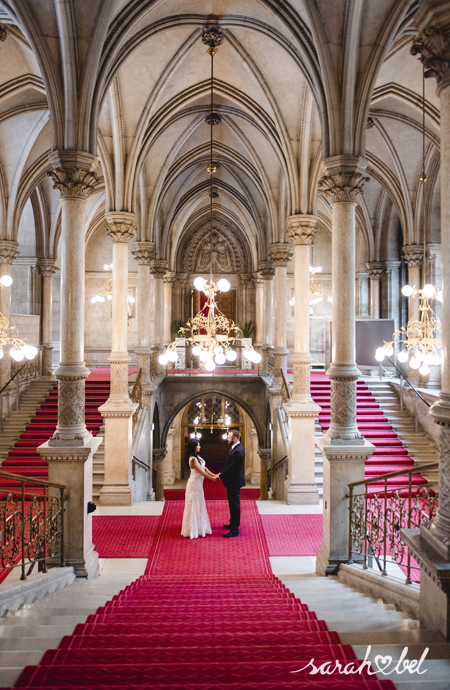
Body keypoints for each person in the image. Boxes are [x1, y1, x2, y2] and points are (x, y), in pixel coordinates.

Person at [181, 439, 217, 539]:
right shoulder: (193, 459)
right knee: (193, 505)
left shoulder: (198, 457)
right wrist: (212, 479)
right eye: (198, 445)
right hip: (194, 485)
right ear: (194, 447)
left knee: (199, 503)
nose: (200, 447)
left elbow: (205, 468)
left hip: (199, 485)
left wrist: (214, 474)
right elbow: (201, 472)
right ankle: (192, 529)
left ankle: (200, 527)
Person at [217, 428, 245, 538]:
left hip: (234, 481)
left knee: (234, 505)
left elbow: (231, 468)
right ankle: (232, 523)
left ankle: (235, 530)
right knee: (232, 504)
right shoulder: (236, 447)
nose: (227, 438)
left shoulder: (238, 451)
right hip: (233, 481)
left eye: (229, 436)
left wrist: (220, 476)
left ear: (235, 438)